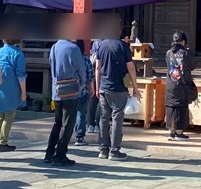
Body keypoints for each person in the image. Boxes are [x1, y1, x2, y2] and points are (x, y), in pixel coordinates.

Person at [94, 27, 139, 160]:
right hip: (119, 88)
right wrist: (135, 85)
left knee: (103, 118)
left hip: (103, 87)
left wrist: (97, 87)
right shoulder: (123, 46)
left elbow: (97, 67)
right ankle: (114, 150)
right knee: (117, 119)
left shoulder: (101, 45)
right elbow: (130, 66)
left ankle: (103, 149)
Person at [44, 35, 87, 166]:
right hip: (70, 89)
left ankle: (49, 152)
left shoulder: (54, 47)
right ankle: (60, 154)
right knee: (68, 124)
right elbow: (81, 69)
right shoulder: (73, 48)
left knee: (57, 123)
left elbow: (51, 66)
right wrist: (82, 84)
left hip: (57, 90)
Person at [0, 39, 26, 152]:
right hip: (12, 85)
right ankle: (3, 142)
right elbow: (21, 75)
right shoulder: (18, 53)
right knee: (9, 114)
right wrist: (23, 93)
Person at [164, 31, 197, 141]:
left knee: (170, 107)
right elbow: (192, 66)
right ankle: (179, 132)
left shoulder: (168, 53)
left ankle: (171, 132)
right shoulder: (186, 53)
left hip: (170, 83)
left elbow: (168, 66)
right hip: (182, 84)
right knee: (181, 107)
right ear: (183, 42)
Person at [73, 40, 95, 146]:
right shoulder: (86, 59)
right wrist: (92, 88)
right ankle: (80, 137)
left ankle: (66, 135)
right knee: (81, 114)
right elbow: (91, 76)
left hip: (70, 90)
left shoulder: (71, 58)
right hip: (84, 89)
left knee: (70, 113)